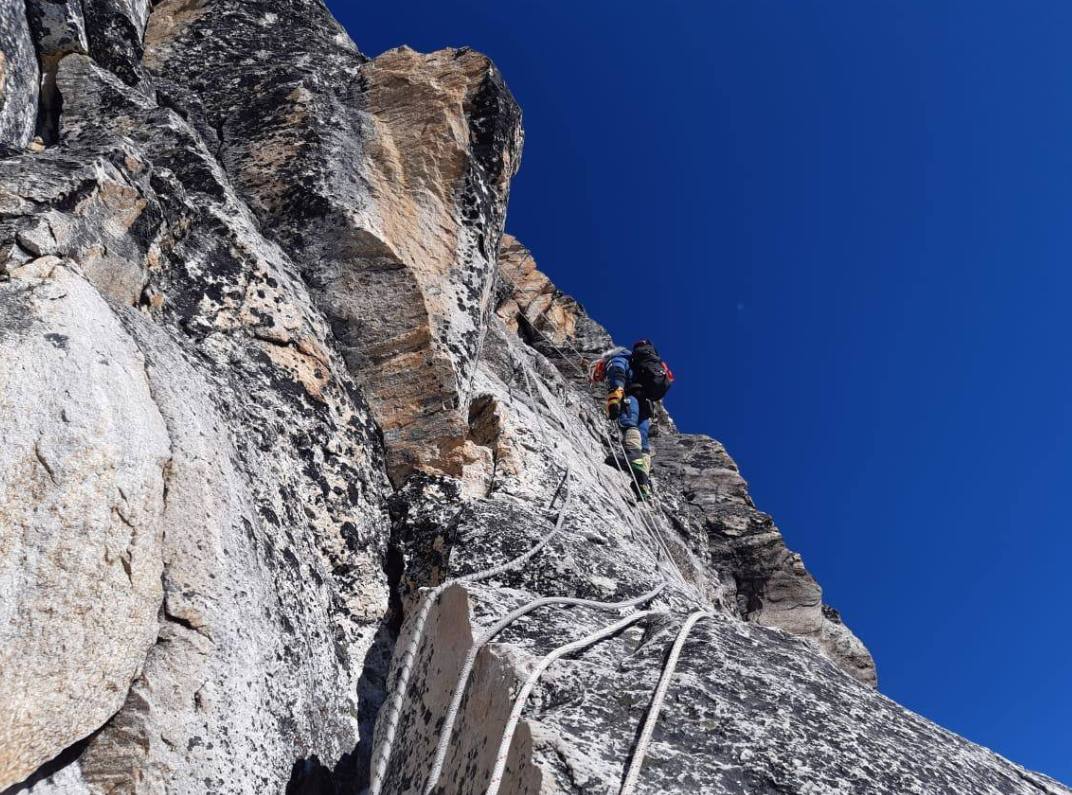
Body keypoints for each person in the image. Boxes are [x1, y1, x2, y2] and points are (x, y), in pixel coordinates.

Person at [591, 339, 674, 501]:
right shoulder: (641, 363)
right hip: (646, 403)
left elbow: (618, 372)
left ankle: (632, 454)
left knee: (627, 422)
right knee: (643, 439)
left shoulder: (618, 357)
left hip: (631, 396)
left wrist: (615, 396)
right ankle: (642, 481)